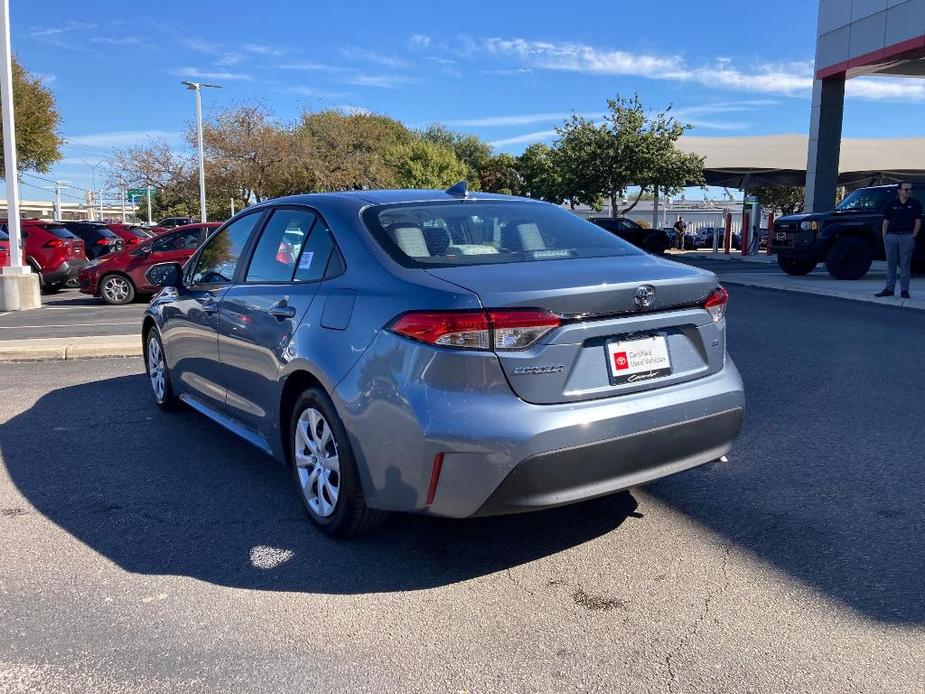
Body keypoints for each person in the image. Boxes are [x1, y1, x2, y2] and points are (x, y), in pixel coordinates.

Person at [875, 183, 922, 299]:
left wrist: (913, 236)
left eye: (910, 189)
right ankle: (889, 289)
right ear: (899, 191)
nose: (908, 191)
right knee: (891, 265)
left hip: (907, 237)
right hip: (891, 237)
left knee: (905, 265)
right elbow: (886, 222)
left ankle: (904, 290)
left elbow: (918, 221)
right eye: (906, 189)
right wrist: (885, 238)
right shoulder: (891, 204)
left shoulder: (915, 204)